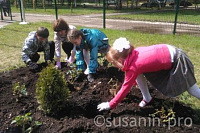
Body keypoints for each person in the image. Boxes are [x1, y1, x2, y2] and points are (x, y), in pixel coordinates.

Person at [97, 37, 200, 111]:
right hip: (170, 52)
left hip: (178, 60)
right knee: (139, 74)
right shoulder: (134, 53)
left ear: (120, 59)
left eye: (113, 63)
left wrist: (110, 104)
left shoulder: (134, 67)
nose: (114, 65)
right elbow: (134, 74)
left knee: (192, 89)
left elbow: (125, 88)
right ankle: (147, 98)